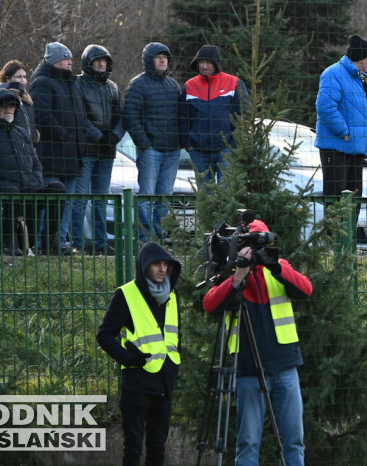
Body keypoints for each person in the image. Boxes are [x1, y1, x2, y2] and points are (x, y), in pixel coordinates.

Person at [202, 218, 313, 466]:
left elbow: (306, 289)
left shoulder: (279, 266)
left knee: (294, 441)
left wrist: (276, 267)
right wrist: (238, 275)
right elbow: (210, 304)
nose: (258, 251)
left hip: (285, 367)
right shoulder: (232, 270)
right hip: (248, 369)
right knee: (249, 443)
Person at [97, 241, 181, 466]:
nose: (162, 269)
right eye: (156, 264)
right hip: (137, 381)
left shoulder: (172, 295)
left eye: (165, 264)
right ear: (144, 267)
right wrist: (129, 359)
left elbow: (174, 336)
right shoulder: (126, 294)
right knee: (133, 448)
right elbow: (104, 335)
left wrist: (174, 365)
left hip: (165, 381)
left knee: (157, 448)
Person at [0, 88, 66, 256]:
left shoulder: (22, 133)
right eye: (4, 107)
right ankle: (10, 244)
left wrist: (35, 182)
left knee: (57, 188)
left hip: (26, 192)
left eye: (12, 107)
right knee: (9, 192)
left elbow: (36, 165)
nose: (8, 111)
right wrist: (1, 185)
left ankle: (50, 242)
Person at [31, 42, 88, 254]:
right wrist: (65, 136)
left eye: (70, 58)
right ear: (54, 60)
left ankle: (59, 242)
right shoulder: (42, 83)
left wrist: (79, 142)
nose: (70, 62)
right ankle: (40, 242)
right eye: (66, 58)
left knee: (67, 203)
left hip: (73, 155)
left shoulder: (72, 84)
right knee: (50, 203)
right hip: (53, 155)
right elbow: (43, 116)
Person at [123, 42, 182, 243]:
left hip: (172, 151)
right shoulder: (138, 84)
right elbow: (130, 116)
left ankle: (162, 235)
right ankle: (144, 238)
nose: (163, 60)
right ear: (149, 60)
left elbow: (181, 116)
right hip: (151, 151)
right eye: (158, 57)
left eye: (165, 56)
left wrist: (180, 141)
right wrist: (145, 144)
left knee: (165, 196)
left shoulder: (173, 85)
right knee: (146, 196)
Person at [314, 34, 367, 205]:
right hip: (337, 148)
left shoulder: (362, 78)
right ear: (360, 57)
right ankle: (334, 234)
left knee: (354, 200)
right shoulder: (333, 74)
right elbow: (325, 107)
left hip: (355, 148)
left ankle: (351, 233)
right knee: (336, 201)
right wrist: (344, 131)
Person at [77, 44, 125, 255]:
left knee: (100, 200)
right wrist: (98, 137)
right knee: (80, 199)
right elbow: (80, 117)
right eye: (97, 60)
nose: (101, 64)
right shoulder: (78, 84)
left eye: (104, 61)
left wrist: (115, 136)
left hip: (107, 153)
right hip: (86, 151)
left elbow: (123, 116)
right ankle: (77, 242)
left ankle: (100, 243)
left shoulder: (113, 87)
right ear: (88, 63)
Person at [181, 45, 250, 185]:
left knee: (227, 192)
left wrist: (235, 143)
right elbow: (182, 117)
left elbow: (245, 114)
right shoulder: (189, 85)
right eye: (201, 62)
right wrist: (188, 144)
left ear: (216, 63)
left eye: (208, 62)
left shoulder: (234, 83)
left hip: (226, 150)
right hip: (198, 151)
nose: (204, 66)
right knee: (204, 195)